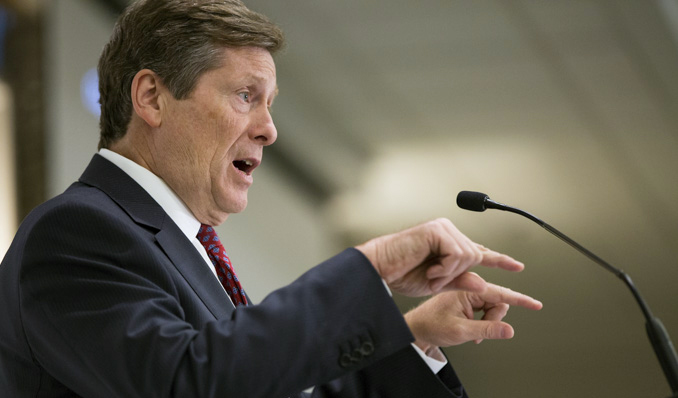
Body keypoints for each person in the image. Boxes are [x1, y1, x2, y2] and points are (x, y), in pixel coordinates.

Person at [0, 0, 542, 396]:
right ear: (151, 98)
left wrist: (409, 334)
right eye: (245, 96)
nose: (269, 130)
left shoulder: (189, 253)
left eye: (270, 104)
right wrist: (367, 268)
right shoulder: (78, 231)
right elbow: (185, 384)